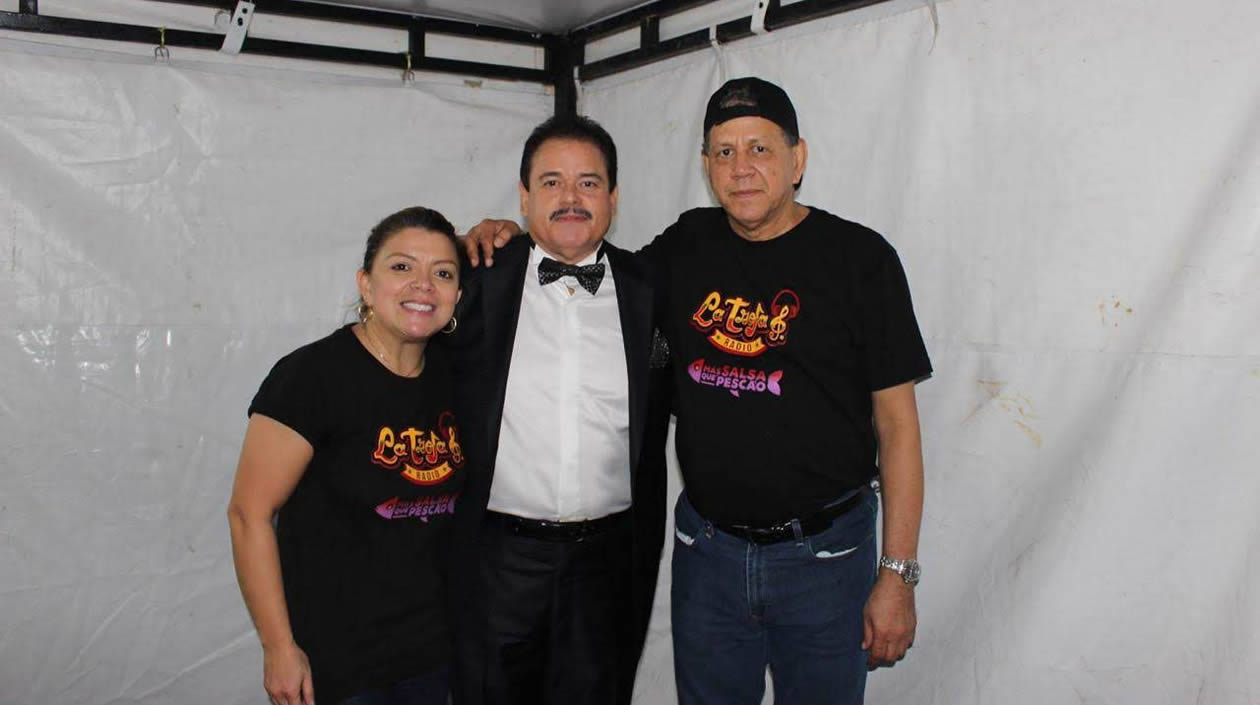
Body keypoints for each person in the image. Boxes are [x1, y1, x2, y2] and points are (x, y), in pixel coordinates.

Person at [464, 77, 931, 705]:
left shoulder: (861, 260)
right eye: (724, 151)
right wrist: (502, 238)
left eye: (760, 149)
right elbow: (584, 261)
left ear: (799, 159)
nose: (742, 169)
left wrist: (897, 574)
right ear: (707, 165)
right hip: (708, 554)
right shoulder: (683, 248)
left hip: (825, 556)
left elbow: (898, 426)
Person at [448, 115, 671, 705]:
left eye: (589, 183)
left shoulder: (652, 290)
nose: (570, 198)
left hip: (609, 564)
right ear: (523, 197)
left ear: (614, 198)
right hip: (497, 560)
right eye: (551, 182)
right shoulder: (473, 279)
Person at [227, 206, 467, 705]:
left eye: (441, 273)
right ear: (365, 283)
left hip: (432, 652)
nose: (422, 285)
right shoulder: (311, 378)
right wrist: (278, 648)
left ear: (457, 296)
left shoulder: (457, 377)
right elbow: (249, 515)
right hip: (339, 660)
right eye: (401, 267)